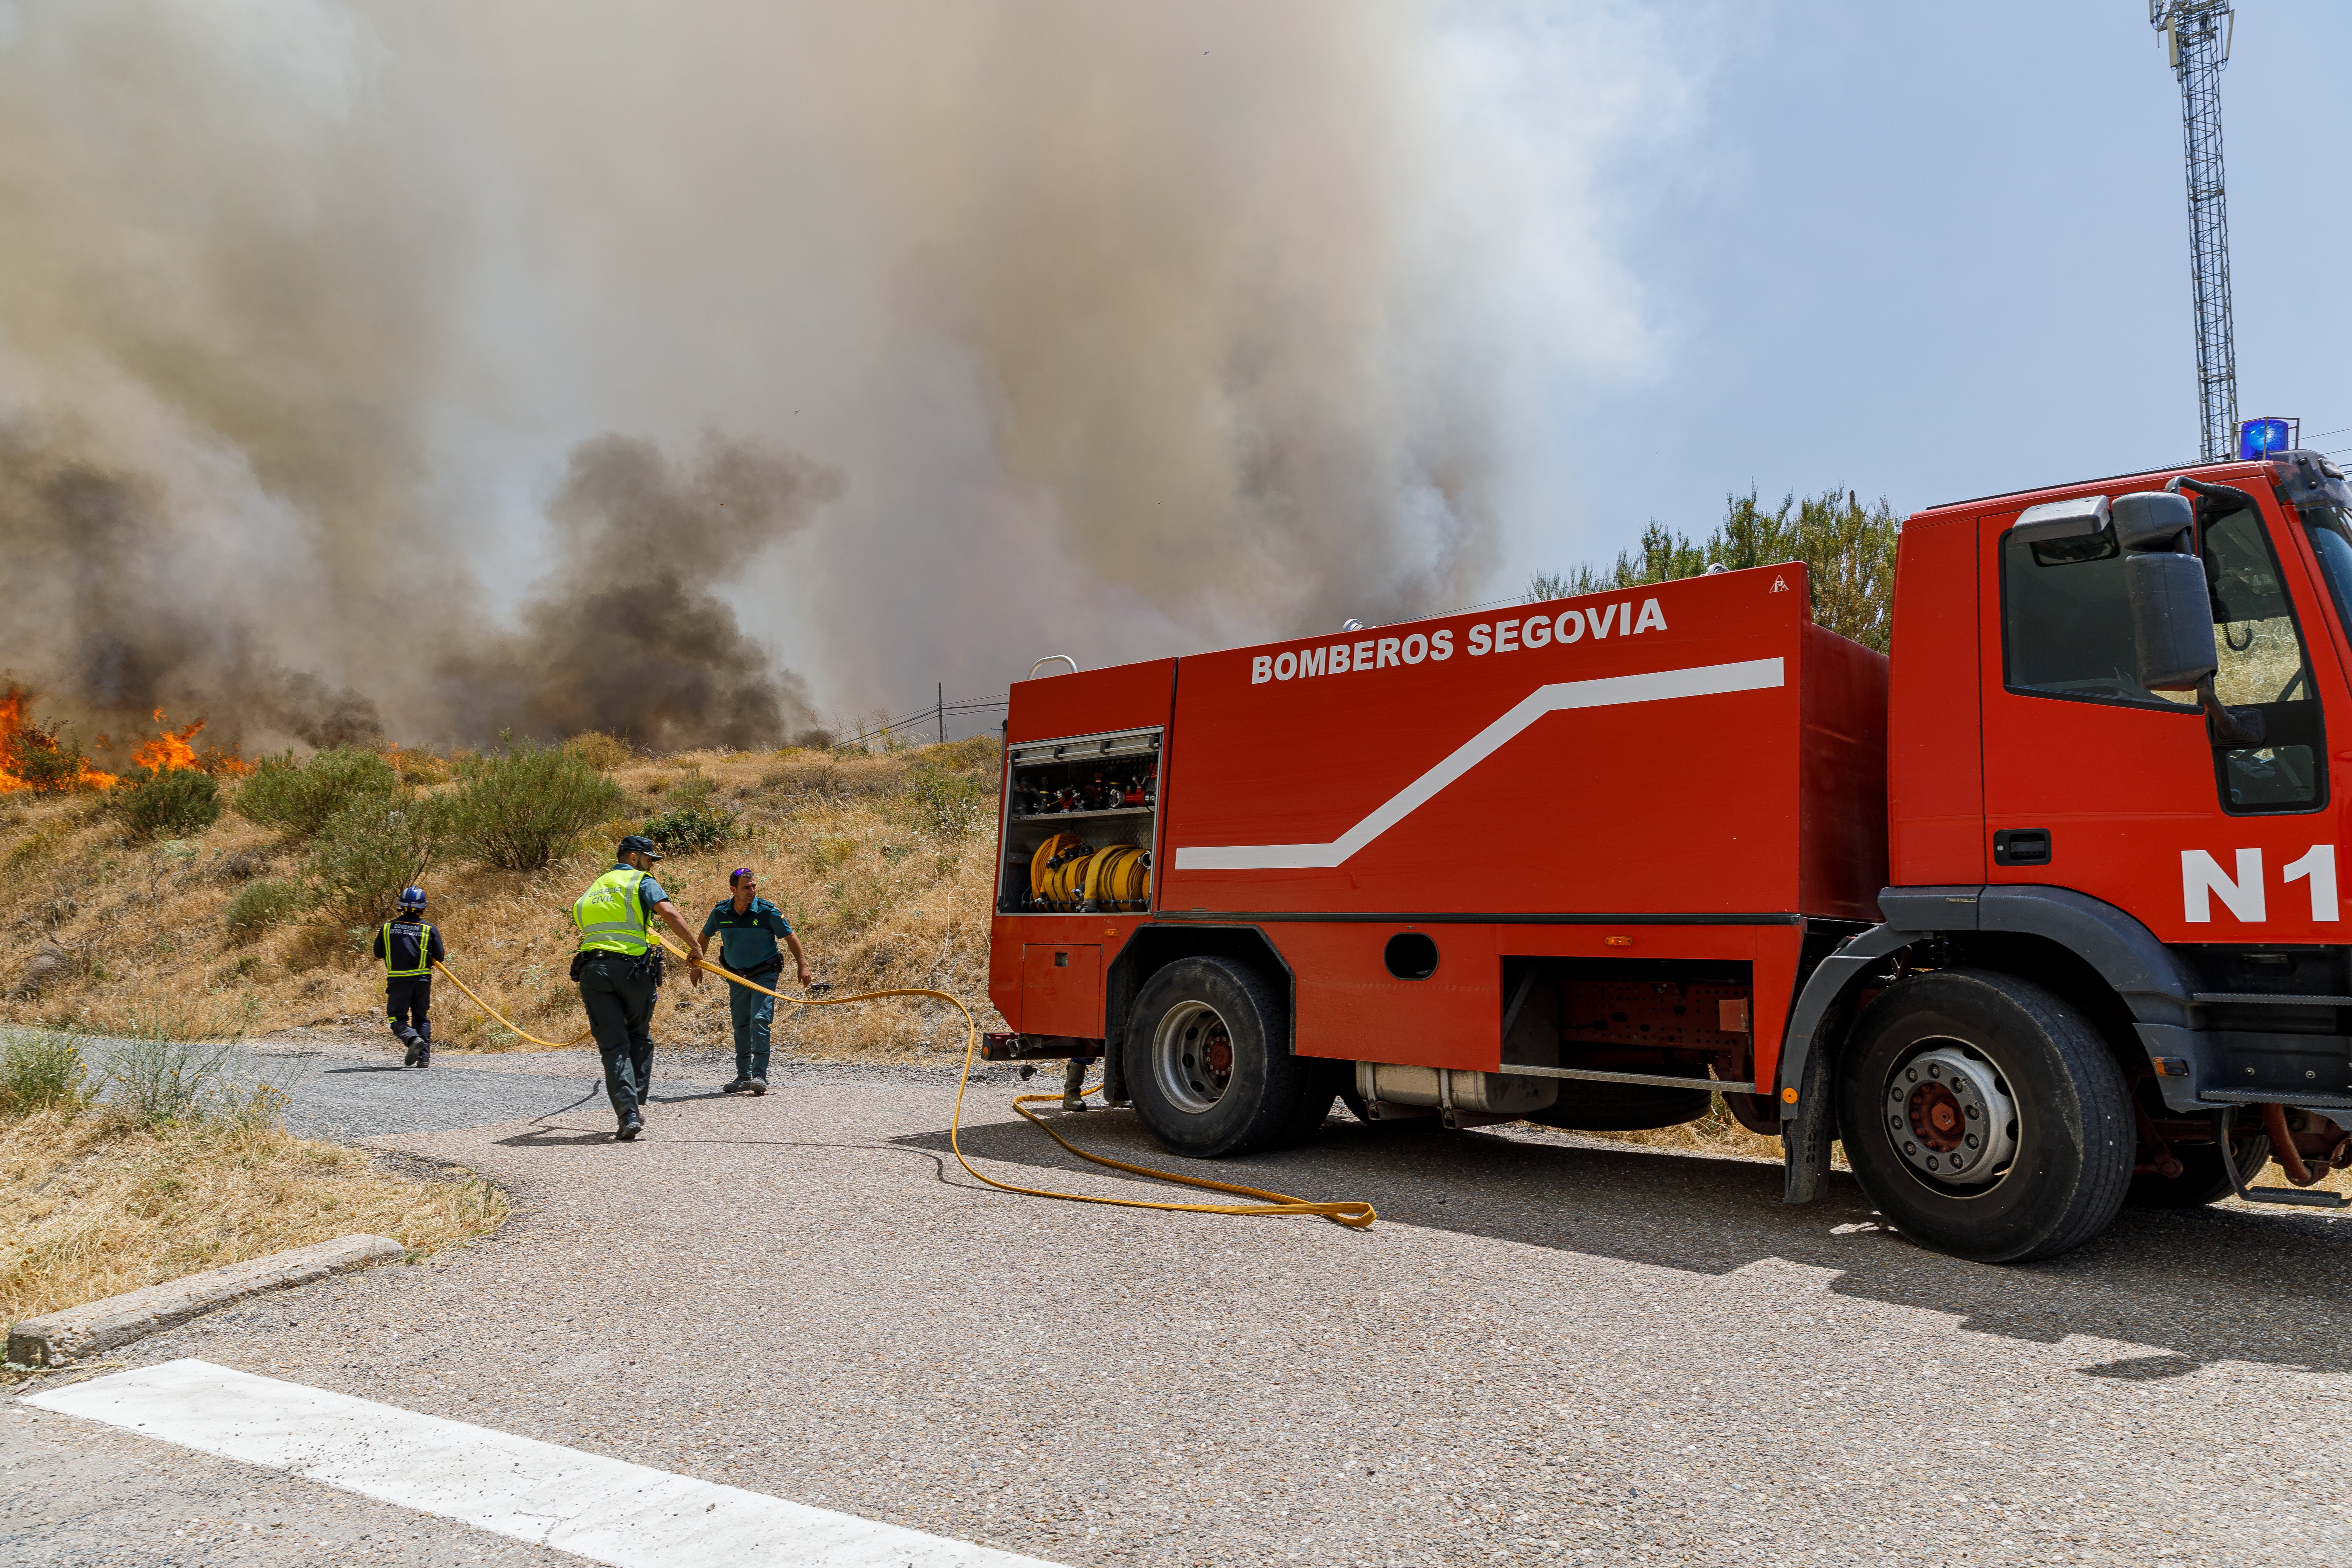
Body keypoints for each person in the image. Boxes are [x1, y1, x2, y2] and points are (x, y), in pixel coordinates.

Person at [570, 834, 705, 1141]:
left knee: (613, 1045)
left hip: (593, 971)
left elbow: (587, 922)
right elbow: (669, 912)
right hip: (632, 971)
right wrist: (694, 947)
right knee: (638, 1036)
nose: (652, 866)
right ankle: (634, 1102)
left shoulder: (593, 889)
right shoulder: (640, 881)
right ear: (633, 858)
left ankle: (628, 1113)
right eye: (649, 860)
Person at [701, 867, 811, 1095]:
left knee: (759, 1021)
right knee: (741, 1025)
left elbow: (790, 936)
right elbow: (704, 936)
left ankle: (759, 1075)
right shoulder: (721, 912)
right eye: (746, 888)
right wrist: (696, 964)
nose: (752, 891)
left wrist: (803, 965)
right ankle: (743, 1077)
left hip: (764, 974)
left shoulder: (768, 911)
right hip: (736, 976)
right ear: (733, 890)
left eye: (754, 887)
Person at [372, 886, 444, 1068]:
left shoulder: (387, 928)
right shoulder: (429, 929)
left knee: (396, 1018)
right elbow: (440, 957)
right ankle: (424, 1058)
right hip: (422, 982)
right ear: (423, 907)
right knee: (421, 1017)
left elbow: (378, 953)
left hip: (398, 981)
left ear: (401, 907)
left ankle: (412, 1039)